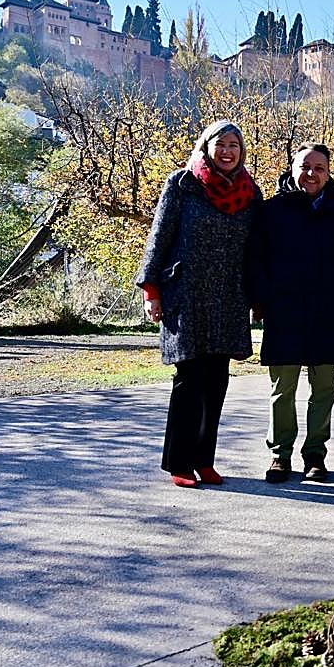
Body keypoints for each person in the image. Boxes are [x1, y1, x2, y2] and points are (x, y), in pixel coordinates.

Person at [137, 120, 261, 488]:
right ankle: (179, 462)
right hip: (186, 294)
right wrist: (151, 290)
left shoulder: (249, 192)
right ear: (206, 146)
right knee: (188, 380)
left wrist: (258, 295)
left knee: (217, 381)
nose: (227, 151)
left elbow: (255, 250)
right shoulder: (182, 183)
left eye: (234, 145)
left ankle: (205, 460)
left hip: (227, 297)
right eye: (220, 144)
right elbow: (160, 236)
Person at [248, 142, 334, 484]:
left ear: (328, 173)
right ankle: (280, 455)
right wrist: (264, 301)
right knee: (283, 389)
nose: (311, 174)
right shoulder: (272, 210)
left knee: (324, 388)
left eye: (319, 168)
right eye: (305, 166)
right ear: (293, 167)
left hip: (327, 315)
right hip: (284, 313)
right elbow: (255, 260)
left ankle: (315, 454)